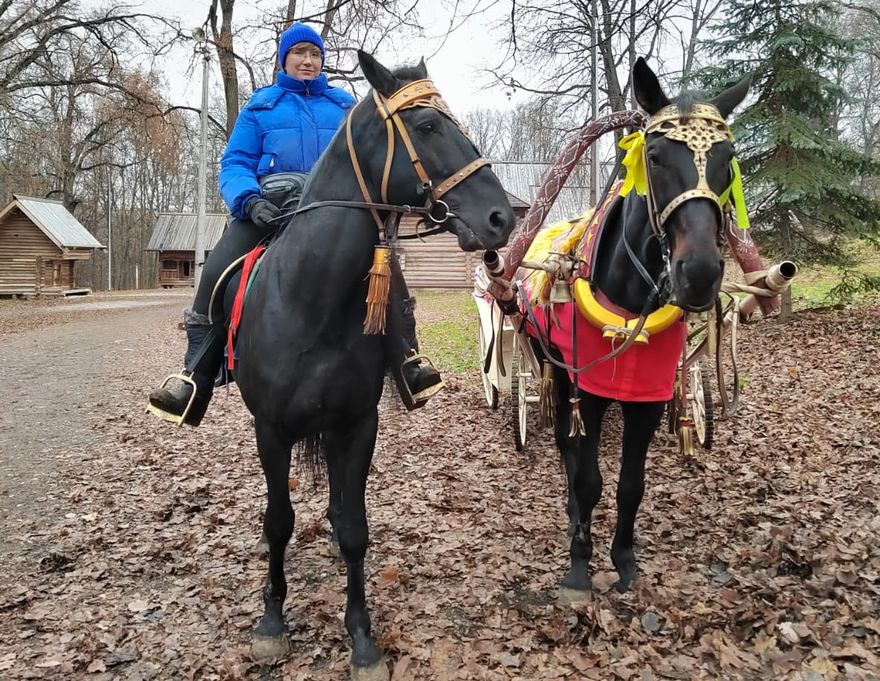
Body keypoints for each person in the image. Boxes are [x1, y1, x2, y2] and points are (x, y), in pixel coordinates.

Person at [148, 23, 443, 427]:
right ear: (284, 59)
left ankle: (408, 359)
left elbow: (376, 156)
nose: (308, 61)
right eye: (300, 53)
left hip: (341, 214)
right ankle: (194, 376)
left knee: (388, 273)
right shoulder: (260, 106)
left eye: (315, 54)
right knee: (215, 272)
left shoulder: (346, 107)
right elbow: (235, 163)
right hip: (273, 208)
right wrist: (248, 201)